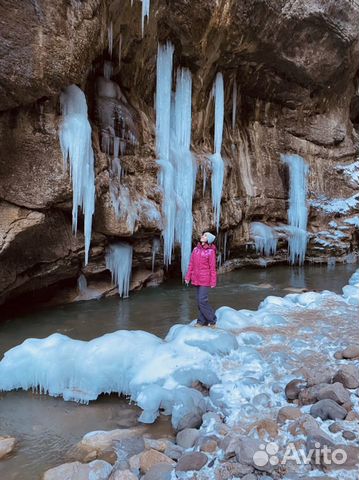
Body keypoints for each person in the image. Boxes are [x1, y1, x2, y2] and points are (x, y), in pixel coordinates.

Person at [185, 231, 217, 327]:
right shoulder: (195, 250)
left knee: (202, 301)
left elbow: (212, 267)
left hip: (205, 279)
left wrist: (213, 281)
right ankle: (202, 322)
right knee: (199, 302)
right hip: (196, 278)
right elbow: (191, 265)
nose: (202, 236)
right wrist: (188, 277)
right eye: (203, 235)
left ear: (209, 240)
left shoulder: (210, 252)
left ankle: (212, 320)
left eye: (205, 236)